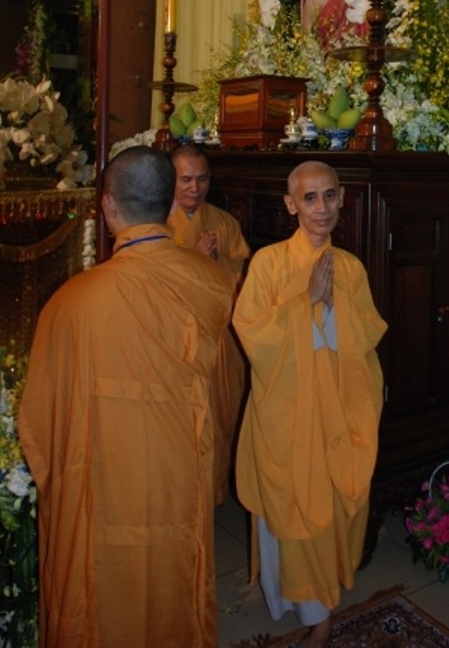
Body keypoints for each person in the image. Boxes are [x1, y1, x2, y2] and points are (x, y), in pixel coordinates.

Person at [19, 146, 232, 648]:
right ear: (169, 203)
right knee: (173, 576)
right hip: (176, 474)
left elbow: (39, 425)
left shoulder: (70, 304)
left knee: (98, 594)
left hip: (99, 482)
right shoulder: (211, 280)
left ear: (108, 206)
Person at [233, 160, 386, 647]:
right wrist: (306, 301)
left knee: (328, 505)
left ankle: (320, 612)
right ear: (291, 205)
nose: (322, 208)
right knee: (290, 502)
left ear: (341, 199)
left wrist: (334, 304)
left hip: (337, 409)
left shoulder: (351, 268)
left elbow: (367, 338)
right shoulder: (268, 263)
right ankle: (290, 597)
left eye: (330, 196)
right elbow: (252, 332)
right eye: (310, 197)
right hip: (286, 413)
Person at [168, 143, 251, 504]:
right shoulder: (155, 222)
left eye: (202, 179)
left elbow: (242, 279)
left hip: (218, 338)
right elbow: (150, 279)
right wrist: (195, 259)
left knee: (218, 419)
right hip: (175, 340)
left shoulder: (224, 223)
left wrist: (215, 264)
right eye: (185, 179)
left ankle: (214, 493)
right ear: (170, 180)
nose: (194, 188)